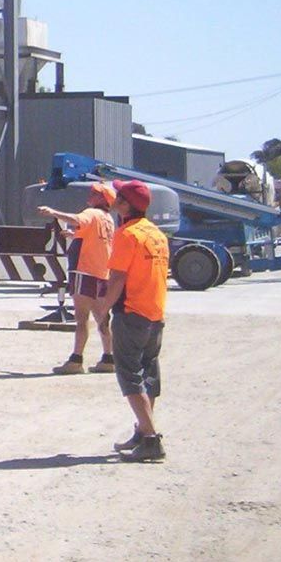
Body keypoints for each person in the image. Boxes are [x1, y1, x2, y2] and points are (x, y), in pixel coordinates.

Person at [95, 179, 170, 463]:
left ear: (126, 204)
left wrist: (102, 310)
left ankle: (151, 438)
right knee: (148, 375)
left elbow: (117, 279)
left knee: (130, 376)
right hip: (155, 313)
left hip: (131, 313)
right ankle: (142, 431)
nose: (114, 199)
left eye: (119, 196)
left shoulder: (127, 235)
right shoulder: (157, 235)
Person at [38, 181, 117, 374]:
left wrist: (53, 212)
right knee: (102, 318)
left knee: (82, 318)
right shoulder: (108, 218)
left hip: (84, 271)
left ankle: (76, 359)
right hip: (101, 273)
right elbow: (95, 239)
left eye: (95, 193)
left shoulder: (91, 214)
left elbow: (75, 218)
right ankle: (109, 358)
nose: (90, 194)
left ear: (102, 198)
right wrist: (74, 236)